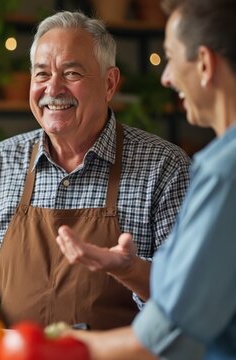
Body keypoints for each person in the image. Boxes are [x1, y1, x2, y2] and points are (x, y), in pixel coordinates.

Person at [0, 11, 192, 329]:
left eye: (72, 73)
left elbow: (181, 294)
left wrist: (132, 271)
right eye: (42, 74)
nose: (54, 88)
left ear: (109, 83)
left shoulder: (164, 169)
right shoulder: (1, 163)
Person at [60, 0, 236, 357]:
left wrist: (53, 346)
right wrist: (131, 268)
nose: (166, 76)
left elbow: (170, 335)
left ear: (204, 63)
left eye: (170, 57)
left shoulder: (222, 172)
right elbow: (204, 285)